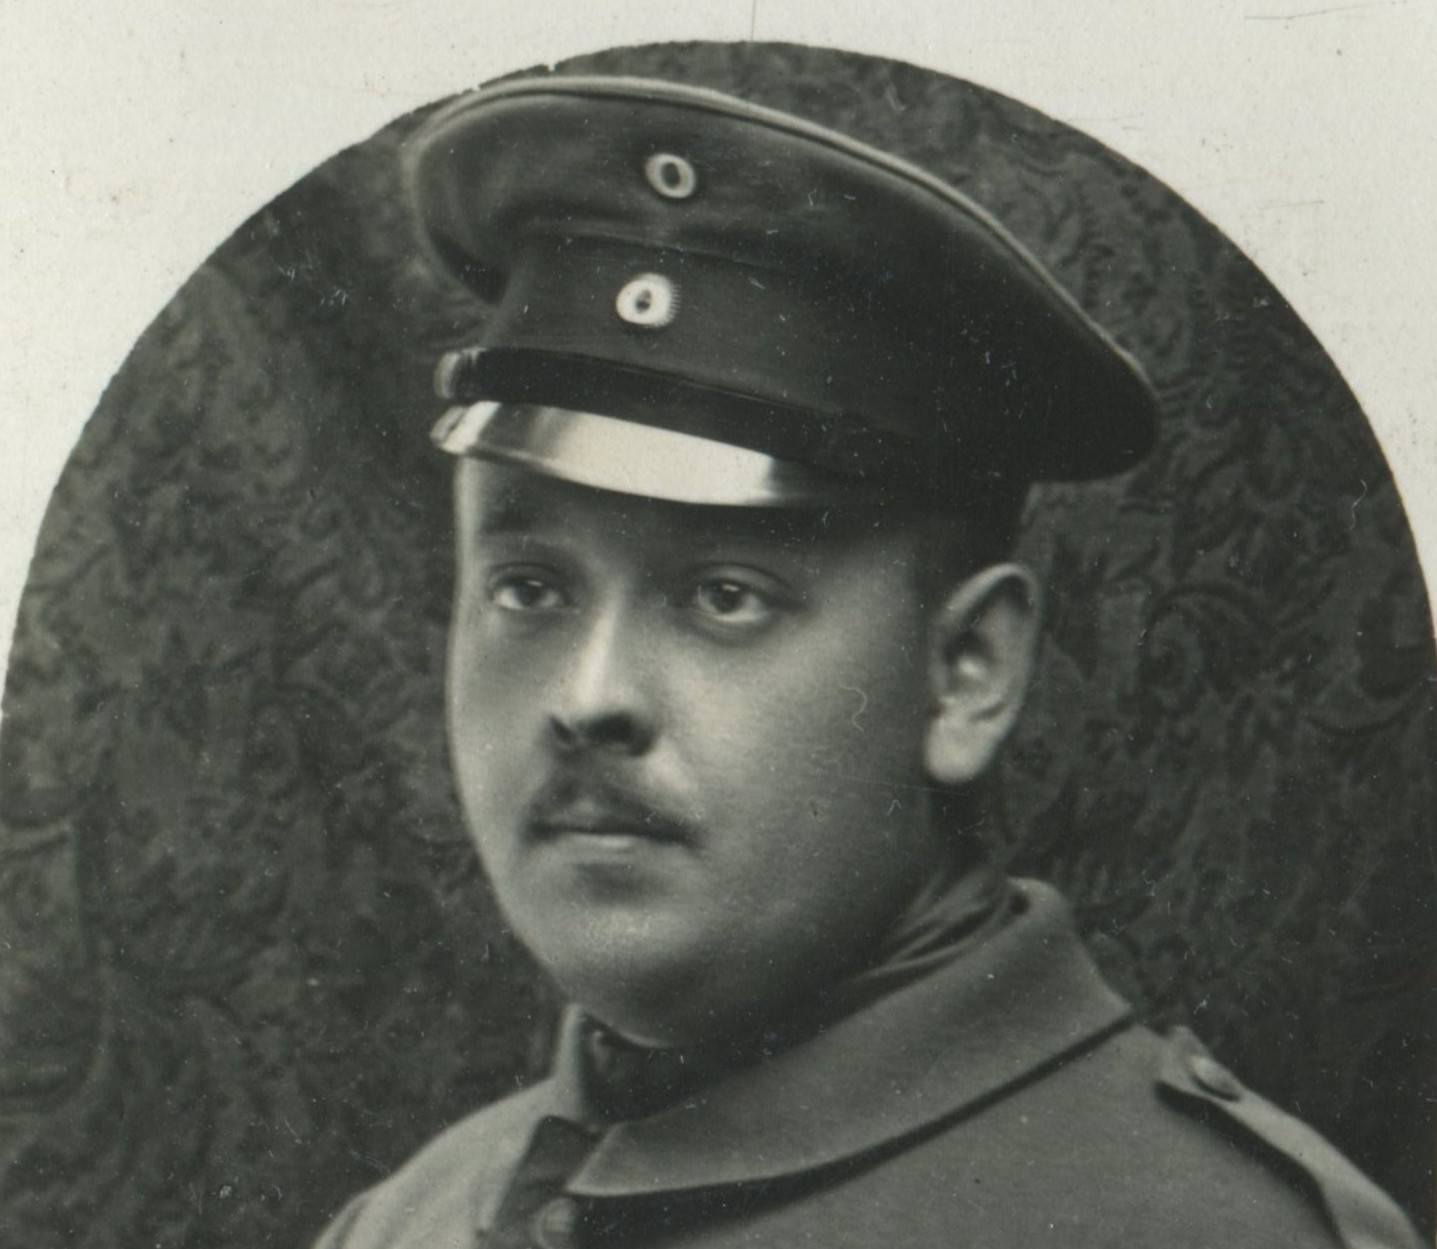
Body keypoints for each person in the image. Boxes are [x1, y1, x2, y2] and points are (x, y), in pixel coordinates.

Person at [312, 74, 1422, 1249]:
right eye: (530, 588)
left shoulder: (1214, 1230)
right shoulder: (406, 1222)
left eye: (726, 596)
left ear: (968, 670)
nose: (589, 697)